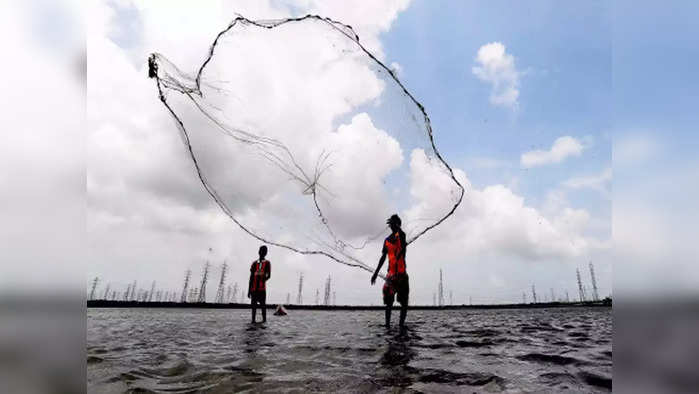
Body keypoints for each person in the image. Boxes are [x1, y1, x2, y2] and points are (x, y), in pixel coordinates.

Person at [371, 214, 409, 329]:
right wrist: (375, 273)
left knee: (404, 303)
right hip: (391, 276)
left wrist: (398, 227)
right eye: (390, 224)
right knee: (388, 303)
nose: (390, 226)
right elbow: (383, 258)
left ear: (397, 224)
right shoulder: (387, 240)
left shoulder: (401, 235)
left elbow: (401, 239)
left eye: (392, 224)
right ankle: (387, 325)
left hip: (401, 275)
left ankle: (401, 326)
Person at [248, 245, 271, 323]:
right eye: (261, 251)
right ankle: (253, 321)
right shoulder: (254, 263)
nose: (262, 252)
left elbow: (269, 275)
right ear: (258, 252)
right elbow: (251, 277)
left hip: (262, 289)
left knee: (263, 306)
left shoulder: (267, 263)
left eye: (264, 251)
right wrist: (249, 290)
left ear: (266, 253)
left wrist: (264, 278)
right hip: (254, 289)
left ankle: (264, 321)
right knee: (253, 307)